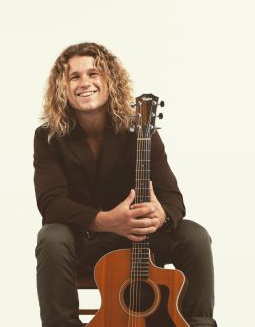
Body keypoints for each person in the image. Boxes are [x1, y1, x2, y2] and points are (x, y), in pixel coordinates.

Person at [33, 42, 216, 327]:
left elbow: (172, 199)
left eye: (94, 74)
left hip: (138, 243)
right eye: (74, 76)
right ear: (62, 88)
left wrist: (162, 215)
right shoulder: (48, 137)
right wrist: (105, 220)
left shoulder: (142, 130)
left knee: (194, 234)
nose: (85, 83)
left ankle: (197, 323)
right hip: (86, 245)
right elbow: (51, 204)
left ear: (110, 81)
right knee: (51, 237)